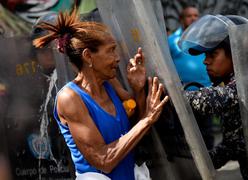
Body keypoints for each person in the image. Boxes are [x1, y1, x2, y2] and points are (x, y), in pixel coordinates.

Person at [33, 9, 169, 180]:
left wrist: (138, 89)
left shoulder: (110, 83)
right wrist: (148, 119)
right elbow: (104, 160)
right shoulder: (69, 99)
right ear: (88, 56)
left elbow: (137, 131)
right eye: (111, 50)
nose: (117, 58)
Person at [179, 14, 248, 180]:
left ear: (235, 51)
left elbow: (207, 100)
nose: (206, 61)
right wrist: (198, 165)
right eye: (206, 56)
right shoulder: (229, 83)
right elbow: (234, 144)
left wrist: (170, 95)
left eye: (213, 55)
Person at [168, 5, 211, 90]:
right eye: (189, 16)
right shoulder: (171, 40)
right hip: (182, 92)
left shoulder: (206, 39)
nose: (193, 18)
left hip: (206, 90)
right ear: (181, 19)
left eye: (196, 16)